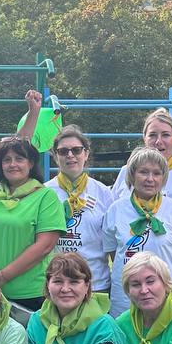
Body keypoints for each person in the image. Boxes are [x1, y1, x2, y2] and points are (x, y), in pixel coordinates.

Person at [0, 136, 67, 311]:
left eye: (19, 159)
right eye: (7, 160)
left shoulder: (46, 197)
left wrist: (2, 277)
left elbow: (44, 246)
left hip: (32, 294)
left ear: (31, 163)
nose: (12, 164)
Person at [103, 146, 172, 316]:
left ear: (164, 178)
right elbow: (113, 253)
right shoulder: (115, 210)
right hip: (126, 301)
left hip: (167, 300)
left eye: (157, 173)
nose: (150, 179)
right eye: (143, 172)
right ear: (132, 175)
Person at [112, 109, 172, 243]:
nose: (158, 141)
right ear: (144, 138)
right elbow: (111, 220)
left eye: (165, 135)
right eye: (152, 135)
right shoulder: (126, 171)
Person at [46, 125, 114, 295]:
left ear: (86, 154)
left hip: (96, 284)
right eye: (63, 151)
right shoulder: (44, 192)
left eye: (76, 150)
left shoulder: (103, 192)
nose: (70, 155)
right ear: (55, 157)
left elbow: (112, 241)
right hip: (59, 285)